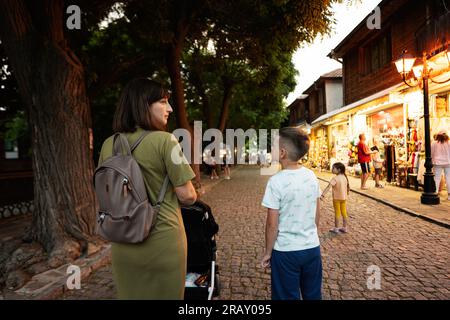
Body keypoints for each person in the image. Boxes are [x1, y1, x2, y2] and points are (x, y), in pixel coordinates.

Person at [97, 78, 197, 299]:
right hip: (161, 241)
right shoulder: (166, 141)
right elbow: (188, 196)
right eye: (163, 102)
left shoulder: (108, 144)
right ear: (143, 105)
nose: (169, 108)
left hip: (123, 241)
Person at [261, 127, 322, 300]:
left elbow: (272, 224)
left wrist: (267, 252)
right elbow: (317, 212)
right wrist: (310, 234)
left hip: (286, 252)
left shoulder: (275, 181)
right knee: (313, 295)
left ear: (282, 153)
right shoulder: (311, 176)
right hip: (312, 248)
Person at [320, 162, 350, 233]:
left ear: (339, 170)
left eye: (333, 168)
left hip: (336, 198)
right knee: (344, 212)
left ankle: (336, 228)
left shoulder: (335, 178)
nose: (332, 169)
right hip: (344, 198)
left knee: (337, 213)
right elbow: (347, 187)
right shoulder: (344, 177)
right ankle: (344, 227)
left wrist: (322, 195)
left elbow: (328, 187)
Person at [431, 130, 450, 201]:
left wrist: (432, 161)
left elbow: (431, 153)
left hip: (437, 162)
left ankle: (435, 193)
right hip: (448, 162)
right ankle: (449, 195)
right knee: (448, 178)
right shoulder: (449, 143)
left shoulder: (434, 143)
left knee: (437, 178)